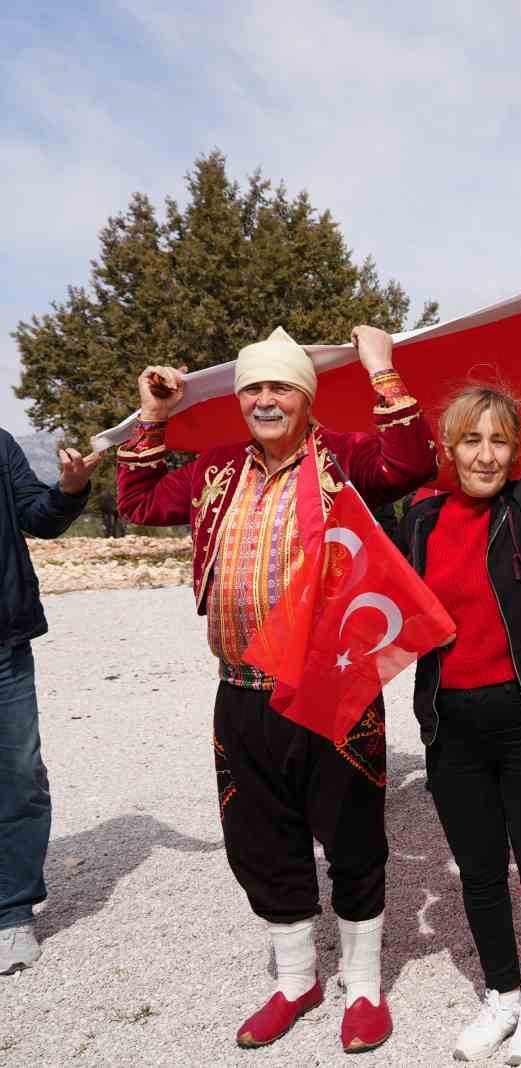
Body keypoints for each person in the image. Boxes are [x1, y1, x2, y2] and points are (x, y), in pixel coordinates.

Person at [117, 323, 436, 1052]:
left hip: (329, 684)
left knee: (353, 834)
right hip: (238, 689)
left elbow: (413, 460)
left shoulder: (345, 456)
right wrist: (154, 416)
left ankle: (364, 988)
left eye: (281, 387)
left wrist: (381, 368)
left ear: (306, 397)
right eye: (254, 387)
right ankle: (297, 982)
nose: (265, 399)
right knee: (258, 838)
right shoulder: (215, 468)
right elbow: (139, 502)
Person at [397, 262, 521, 1065]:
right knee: (477, 873)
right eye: (470, 439)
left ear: (516, 450)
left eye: (499, 439)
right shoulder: (420, 518)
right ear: (449, 447)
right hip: (452, 729)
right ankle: (502, 994)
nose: (484, 453)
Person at [0, 434, 98, 975]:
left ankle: (11, 913)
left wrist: (70, 488)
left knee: (17, 776)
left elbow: (38, 517)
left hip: (3, 644)